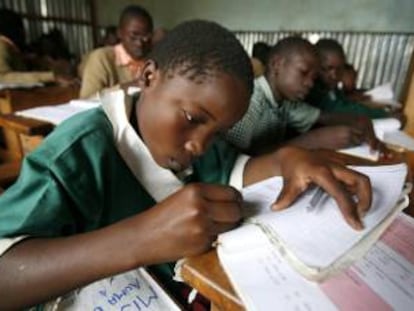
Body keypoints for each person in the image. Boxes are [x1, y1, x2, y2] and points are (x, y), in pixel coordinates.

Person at [0, 20, 371, 310]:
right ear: (147, 76)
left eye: (219, 131)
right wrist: (140, 239)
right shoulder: (76, 154)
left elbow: (236, 173)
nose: (200, 145)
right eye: (193, 118)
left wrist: (286, 159)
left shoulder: (202, 144)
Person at [225, 36, 383, 155]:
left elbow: (324, 117)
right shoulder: (249, 102)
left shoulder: (286, 102)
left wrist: (361, 120)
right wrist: (313, 141)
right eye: (303, 73)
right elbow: (235, 161)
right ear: (276, 64)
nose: (309, 83)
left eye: (313, 78)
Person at [79, 5, 153, 98]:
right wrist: (128, 87)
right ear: (120, 33)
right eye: (133, 36)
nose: (139, 43)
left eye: (146, 37)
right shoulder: (101, 58)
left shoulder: (154, 59)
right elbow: (86, 100)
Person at [306, 38, 392, 119]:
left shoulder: (330, 87)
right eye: (327, 69)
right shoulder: (313, 90)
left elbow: (344, 102)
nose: (334, 76)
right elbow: (340, 110)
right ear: (315, 65)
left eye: (339, 69)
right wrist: (385, 114)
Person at [0, 8, 73, 85]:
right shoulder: (1, 46)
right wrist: (50, 77)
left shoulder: (12, 48)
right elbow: (3, 78)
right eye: (20, 28)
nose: (24, 33)